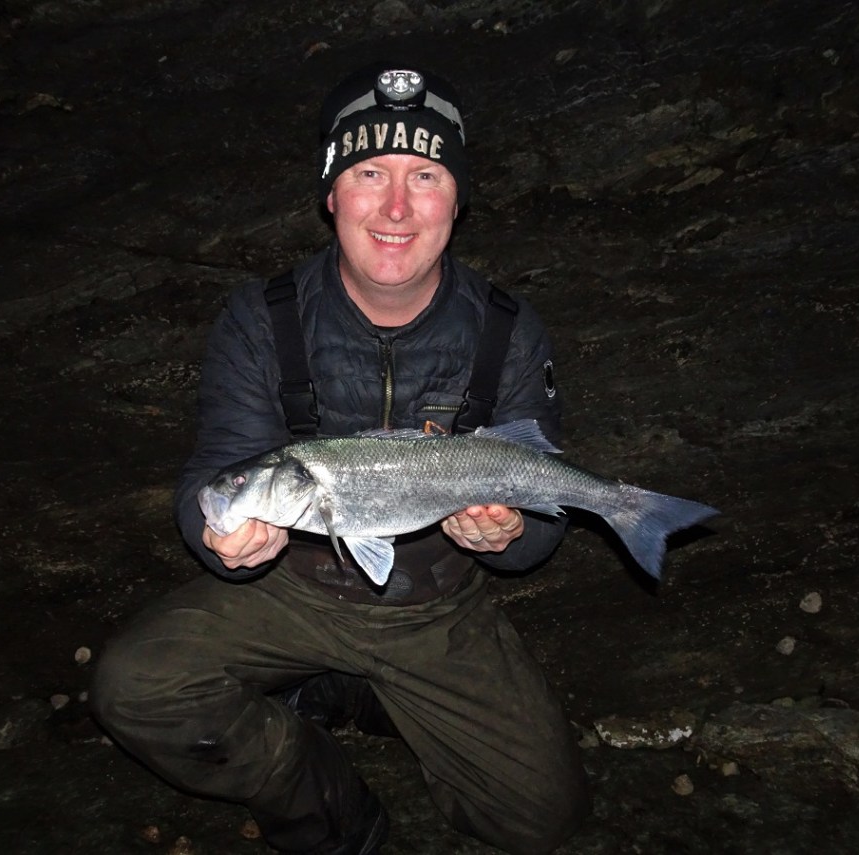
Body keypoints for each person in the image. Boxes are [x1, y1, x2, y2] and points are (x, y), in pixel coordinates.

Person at [91, 62, 588, 855]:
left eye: (425, 175)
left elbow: (540, 516)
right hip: (292, 593)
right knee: (134, 686)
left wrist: (510, 536)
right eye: (368, 174)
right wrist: (213, 532)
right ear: (331, 194)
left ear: (458, 199)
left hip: (434, 608)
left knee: (540, 817)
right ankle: (321, 793)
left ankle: (363, 691)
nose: (396, 207)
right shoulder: (263, 318)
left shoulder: (508, 331)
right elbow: (215, 471)